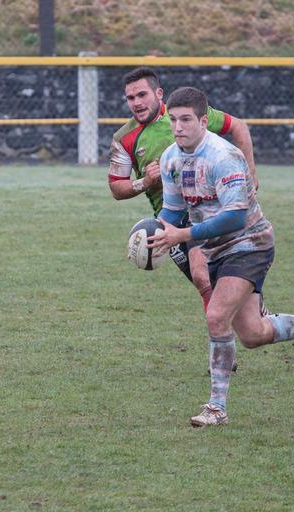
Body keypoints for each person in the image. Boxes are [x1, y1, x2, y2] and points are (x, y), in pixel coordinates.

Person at [148, 86, 294, 428]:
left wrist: (182, 235)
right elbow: (172, 210)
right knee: (252, 333)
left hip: (250, 243)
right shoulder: (171, 158)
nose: (178, 127)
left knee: (216, 316)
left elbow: (234, 216)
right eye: (172, 119)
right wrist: (154, 234)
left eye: (186, 119)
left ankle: (217, 408)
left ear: (203, 121)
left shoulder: (223, 156)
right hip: (216, 249)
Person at [108, 67, 264, 372]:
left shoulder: (185, 114)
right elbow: (116, 187)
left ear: (158, 94)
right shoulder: (124, 138)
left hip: (208, 209)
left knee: (204, 276)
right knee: (209, 286)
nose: (136, 102)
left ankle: (224, 353)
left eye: (142, 95)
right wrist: (144, 182)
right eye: (130, 98)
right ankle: (244, 325)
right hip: (170, 218)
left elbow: (239, 127)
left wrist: (251, 172)